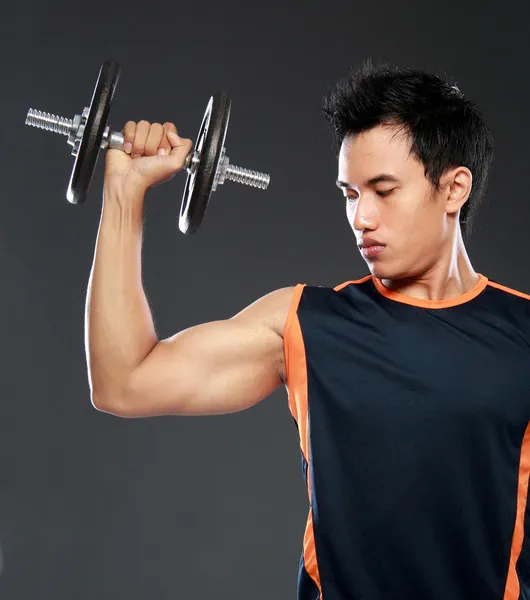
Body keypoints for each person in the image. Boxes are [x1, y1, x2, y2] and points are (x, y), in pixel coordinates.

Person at [85, 59, 530, 600]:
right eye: (349, 193)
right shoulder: (307, 324)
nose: (361, 217)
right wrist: (123, 195)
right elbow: (124, 382)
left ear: (454, 187)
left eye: (383, 190)